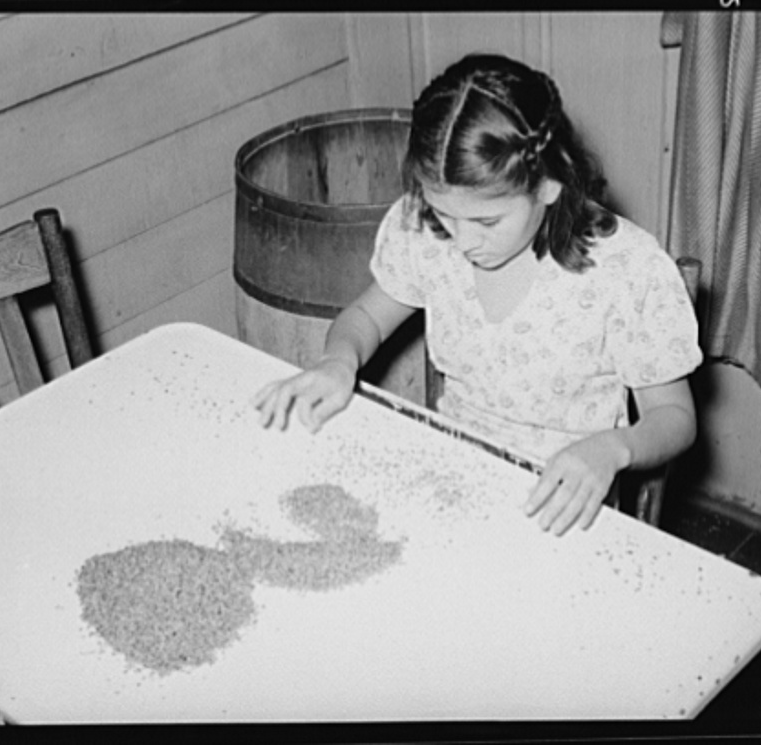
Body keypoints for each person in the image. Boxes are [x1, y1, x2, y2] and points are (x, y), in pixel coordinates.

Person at [252, 53, 701, 536]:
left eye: (487, 221)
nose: (462, 241)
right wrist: (337, 361)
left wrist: (614, 449)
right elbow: (365, 316)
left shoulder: (624, 270)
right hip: (453, 478)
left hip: (566, 502)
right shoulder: (428, 234)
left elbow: (674, 417)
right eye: (444, 213)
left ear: (549, 185)